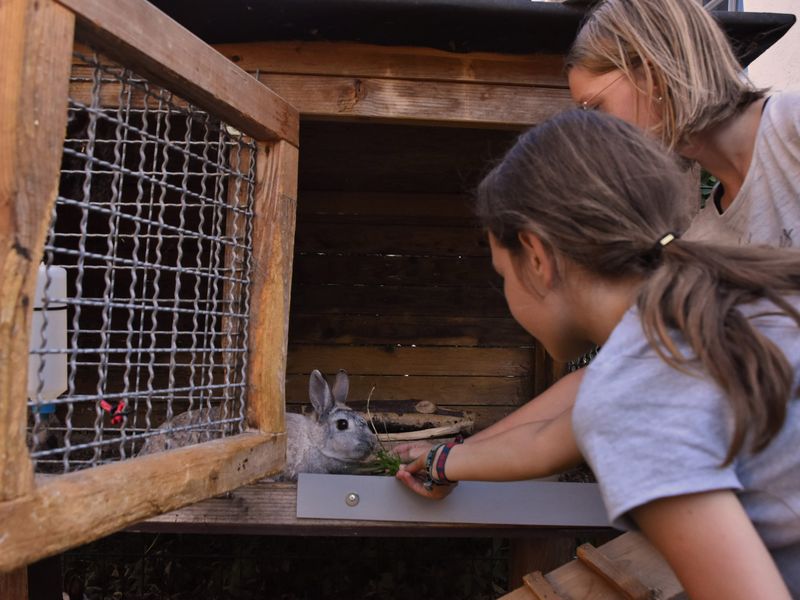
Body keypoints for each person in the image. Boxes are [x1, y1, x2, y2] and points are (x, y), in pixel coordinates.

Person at [395, 109, 800, 599]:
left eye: (502, 273)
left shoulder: (636, 390)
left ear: (538, 258)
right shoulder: (721, 304)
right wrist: (442, 463)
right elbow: (547, 439)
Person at [440, 0, 800, 454]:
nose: (593, 132)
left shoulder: (792, 129)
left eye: (595, 106)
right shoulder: (707, 239)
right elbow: (621, 371)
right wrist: (454, 454)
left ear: (651, 71)